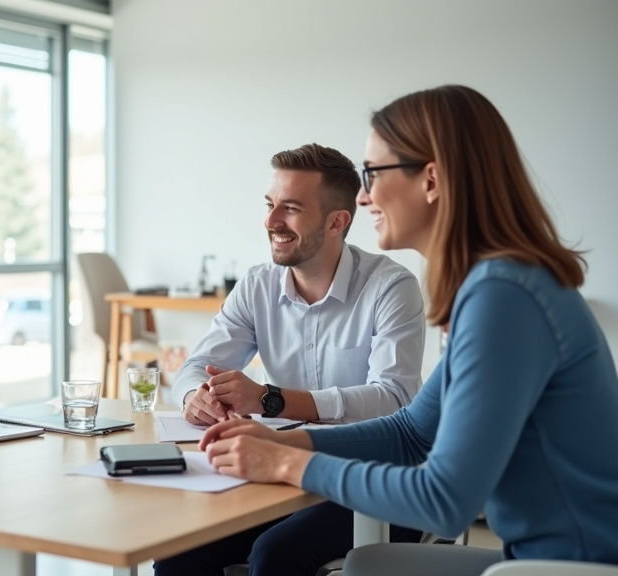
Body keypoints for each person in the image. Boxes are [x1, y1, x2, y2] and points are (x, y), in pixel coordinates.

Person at [199, 85, 618, 576]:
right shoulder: (500, 282)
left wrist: (287, 466)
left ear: (432, 180)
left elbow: (443, 502)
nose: (362, 195)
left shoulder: (505, 296)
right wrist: (286, 443)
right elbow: (413, 432)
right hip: (542, 558)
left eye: (373, 173)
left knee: (358, 565)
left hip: (569, 568)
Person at [156, 143, 427, 576]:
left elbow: (393, 400)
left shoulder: (391, 287)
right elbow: (195, 366)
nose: (270, 221)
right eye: (269, 205)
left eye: (291, 208)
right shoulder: (258, 286)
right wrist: (195, 396)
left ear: (338, 221)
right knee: (177, 550)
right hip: (284, 477)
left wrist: (272, 400)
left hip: (377, 482)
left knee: (276, 554)